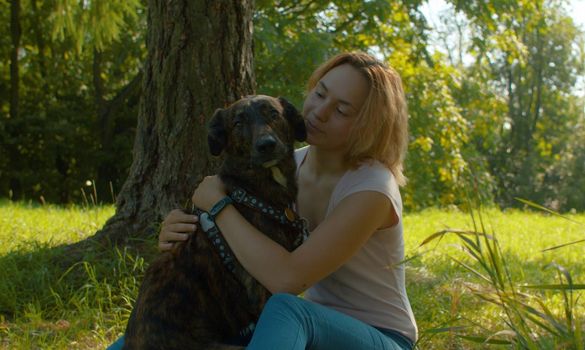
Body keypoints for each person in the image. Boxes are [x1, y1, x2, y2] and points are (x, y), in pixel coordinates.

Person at [111, 51, 416, 350]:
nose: (319, 112)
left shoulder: (373, 187)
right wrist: (180, 229)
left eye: (342, 110)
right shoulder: (283, 168)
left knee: (285, 307)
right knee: (151, 334)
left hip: (380, 337)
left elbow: (287, 279)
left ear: (368, 125)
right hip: (308, 333)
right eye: (320, 94)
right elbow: (236, 244)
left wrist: (219, 207)